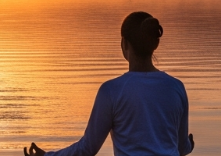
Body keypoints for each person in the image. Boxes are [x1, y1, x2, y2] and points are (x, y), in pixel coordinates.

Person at [24, 12, 195, 156]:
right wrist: (189, 144)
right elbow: (181, 148)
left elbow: (87, 148)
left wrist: (47, 155)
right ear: (155, 44)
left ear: (124, 44)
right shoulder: (176, 87)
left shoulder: (112, 91)